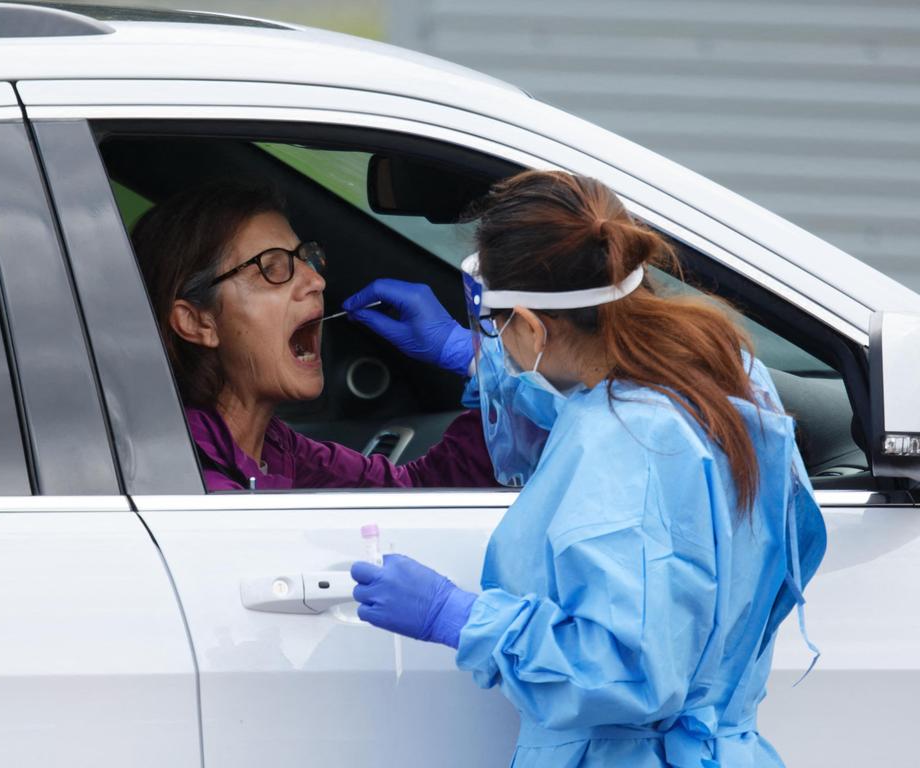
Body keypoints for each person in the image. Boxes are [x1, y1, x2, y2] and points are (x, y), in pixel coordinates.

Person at [347, 170, 826, 767]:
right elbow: (590, 404)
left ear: (529, 324)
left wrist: (462, 618)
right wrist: (471, 360)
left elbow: (629, 672)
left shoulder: (625, 447)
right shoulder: (716, 374)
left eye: (494, 328)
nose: (494, 341)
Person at [131, 180, 494, 490]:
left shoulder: (277, 450)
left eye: (306, 259)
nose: (316, 281)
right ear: (197, 323)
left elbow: (415, 496)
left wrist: (481, 362)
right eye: (273, 268)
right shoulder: (192, 483)